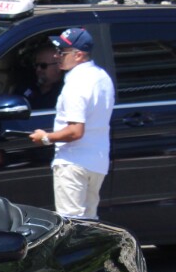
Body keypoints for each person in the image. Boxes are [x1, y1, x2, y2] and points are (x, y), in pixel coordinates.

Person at [30, 28, 114, 220]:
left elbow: (76, 131)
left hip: (73, 162)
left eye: (62, 52)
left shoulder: (76, 83)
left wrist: (45, 137)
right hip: (97, 161)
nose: (56, 55)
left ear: (78, 55)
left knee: (70, 223)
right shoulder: (102, 77)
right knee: (90, 222)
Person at [23, 44, 64, 111]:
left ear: (58, 66)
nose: (38, 69)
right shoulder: (27, 87)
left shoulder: (65, 92)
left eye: (43, 66)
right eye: (36, 65)